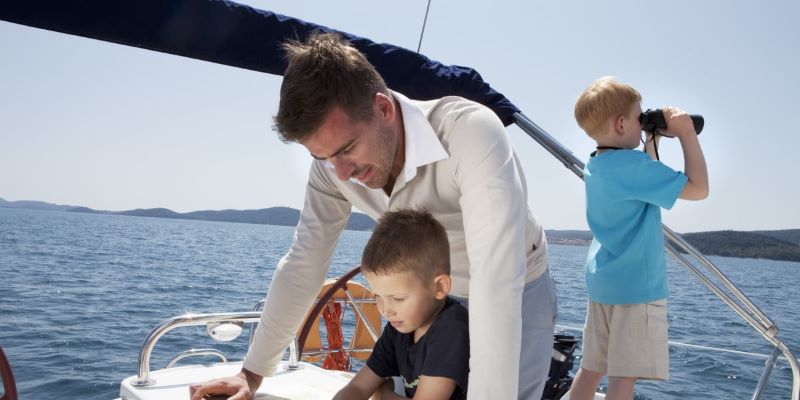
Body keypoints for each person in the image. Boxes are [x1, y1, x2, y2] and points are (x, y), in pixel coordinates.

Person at [189, 32, 556, 400]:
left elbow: (496, 277)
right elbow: (305, 261)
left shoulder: (470, 133)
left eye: (347, 148)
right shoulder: (334, 170)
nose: (342, 173)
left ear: (383, 108)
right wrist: (250, 375)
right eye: (325, 157)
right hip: (422, 301)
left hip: (515, 288)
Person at [567, 76, 709, 400]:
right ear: (621, 124)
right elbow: (699, 189)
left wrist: (650, 139)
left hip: (603, 283)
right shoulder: (634, 167)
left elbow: (645, 184)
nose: (641, 122)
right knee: (622, 379)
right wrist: (686, 133)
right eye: (638, 117)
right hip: (636, 288)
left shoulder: (597, 164)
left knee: (591, 369)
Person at [333, 208, 469, 400]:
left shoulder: (452, 327)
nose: (385, 310)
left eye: (397, 299)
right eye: (377, 296)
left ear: (439, 287)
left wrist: (384, 394)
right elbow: (358, 388)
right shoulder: (399, 328)